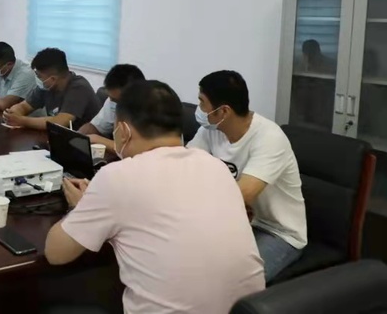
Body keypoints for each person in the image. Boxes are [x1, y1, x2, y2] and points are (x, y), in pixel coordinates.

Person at [44, 80, 265, 314]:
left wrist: (79, 208)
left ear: (124, 130)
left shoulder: (118, 176)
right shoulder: (216, 166)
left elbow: (56, 254)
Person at [187, 70, 307, 283]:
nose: (199, 109)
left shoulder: (269, 138)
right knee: (186, 262)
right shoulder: (210, 130)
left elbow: (240, 196)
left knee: (230, 282)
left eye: (202, 102)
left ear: (223, 111)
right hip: (238, 223)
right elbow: (185, 170)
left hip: (277, 232)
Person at [3, 48, 100, 130]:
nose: (38, 79)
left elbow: (60, 122)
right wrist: (13, 113)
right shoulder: (46, 86)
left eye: (39, 76)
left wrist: (21, 120)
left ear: (53, 79)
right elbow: (24, 106)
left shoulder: (79, 88)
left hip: (84, 141)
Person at [79, 64, 145, 152]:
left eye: (117, 101)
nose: (114, 104)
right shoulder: (113, 100)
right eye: (112, 99)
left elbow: (136, 150)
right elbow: (94, 127)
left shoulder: (154, 111)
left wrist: (98, 140)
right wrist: (78, 136)